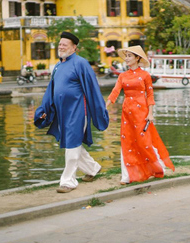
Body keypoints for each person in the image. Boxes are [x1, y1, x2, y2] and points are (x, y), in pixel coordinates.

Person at [34, 32, 109, 193]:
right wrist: (45, 109)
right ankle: (93, 168)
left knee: (72, 144)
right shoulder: (58, 66)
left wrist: (99, 109)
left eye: (64, 45)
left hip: (78, 111)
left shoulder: (81, 63)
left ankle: (68, 182)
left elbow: (92, 88)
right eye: (60, 44)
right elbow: (51, 90)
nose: (61, 47)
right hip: (62, 112)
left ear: (74, 47)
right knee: (71, 143)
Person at [106, 45, 175, 185]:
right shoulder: (122, 76)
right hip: (127, 111)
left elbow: (150, 95)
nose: (126, 58)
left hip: (142, 111)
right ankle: (127, 175)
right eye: (126, 56)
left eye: (130, 56)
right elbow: (115, 92)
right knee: (127, 141)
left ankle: (158, 167)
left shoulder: (145, 75)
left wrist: (150, 114)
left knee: (144, 141)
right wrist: (105, 106)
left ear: (137, 58)